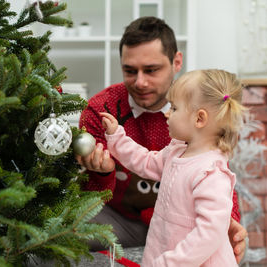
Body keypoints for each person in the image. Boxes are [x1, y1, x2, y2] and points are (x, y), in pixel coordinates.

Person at [76, 16, 247, 263]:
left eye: (152, 70)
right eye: (130, 71)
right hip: (130, 222)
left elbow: (214, 190)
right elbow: (144, 162)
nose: (141, 81)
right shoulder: (102, 110)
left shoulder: (203, 117)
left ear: (177, 61)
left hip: (185, 230)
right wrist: (105, 164)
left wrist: (228, 220)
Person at [100, 69, 245, 266]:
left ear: (199, 119)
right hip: (164, 252)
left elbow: (209, 234)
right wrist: (117, 137)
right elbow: (145, 162)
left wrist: (170, 262)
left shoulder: (211, 173)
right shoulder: (176, 152)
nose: (167, 114)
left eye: (175, 108)